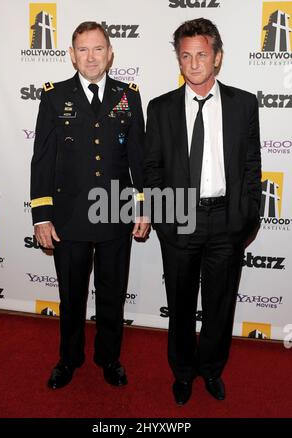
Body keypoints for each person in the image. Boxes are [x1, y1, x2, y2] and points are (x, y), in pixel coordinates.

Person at [144, 18, 261, 405]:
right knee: (179, 305)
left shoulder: (243, 104)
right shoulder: (160, 108)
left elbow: (251, 164)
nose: (194, 63)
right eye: (186, 56)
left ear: (218, 58)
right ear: (178, 60)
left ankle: (211, 370)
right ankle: (182, 373)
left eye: (202, 55)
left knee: (219, 306)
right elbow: (153, 168)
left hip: (227, 221)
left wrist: (249, 215)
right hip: (177, 220)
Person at [31, 21, 149, 390]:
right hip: (69, 217)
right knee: (71, 296)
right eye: (83, 49)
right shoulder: (53, 96)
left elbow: (139, 157)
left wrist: (144, 206)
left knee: (112, 294)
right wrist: (41, 216)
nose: (91, 56)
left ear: (110, 53)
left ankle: (108, 358)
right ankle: (69, 359)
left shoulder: (128, 95)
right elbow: (43, 159)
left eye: (98, 48)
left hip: (116, 213)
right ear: (71, 54)